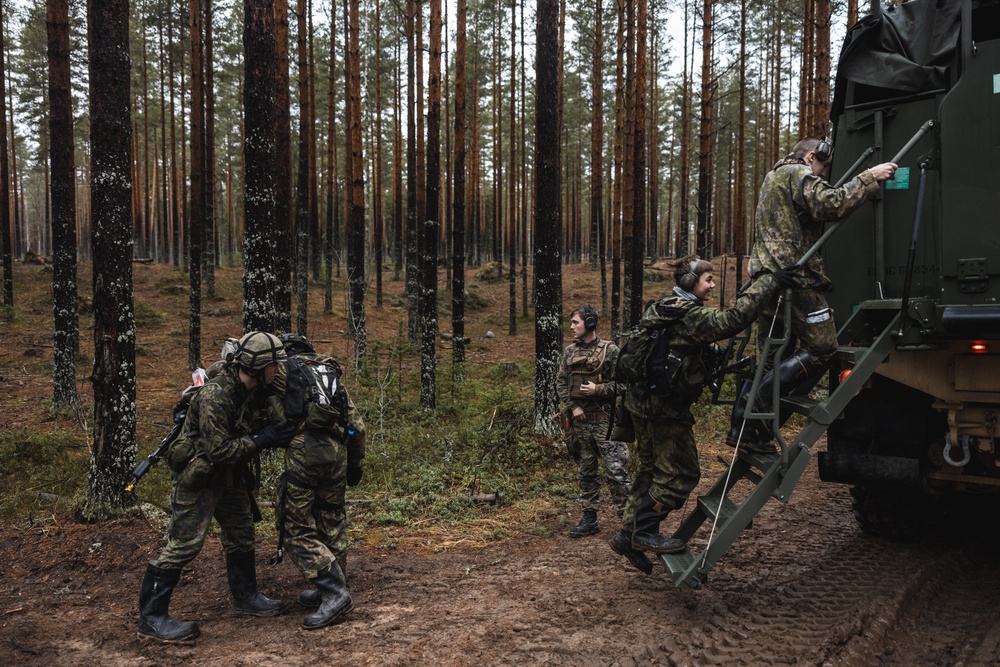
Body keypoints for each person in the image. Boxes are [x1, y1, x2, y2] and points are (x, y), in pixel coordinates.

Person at [609, 256, 794, 573]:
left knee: (651, 470)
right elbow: (734, 319)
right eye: (708, 279)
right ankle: (645, 532)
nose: (711, 285)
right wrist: (769, 282)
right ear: (688, 282)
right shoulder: (690, 317)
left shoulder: (664, 306)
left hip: (641, 404)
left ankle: (628, 533)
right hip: (663, 410)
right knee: (682, 474)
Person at [726, 137, 898, 453]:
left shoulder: (773, 176)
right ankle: (755, 422)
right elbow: (829, 204)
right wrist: (869, 177)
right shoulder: (797, 172)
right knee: (822, 348)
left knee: (768, 358)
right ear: (810, 157)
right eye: (822, 168)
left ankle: (744, 431)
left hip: (768, 278)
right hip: (794, 277)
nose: (821, 175)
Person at [137, 331, 298, 643]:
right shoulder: (216, 397)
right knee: (184, 545)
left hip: (230, 476)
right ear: (257, 367)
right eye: (274, 366)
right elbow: (219, 450)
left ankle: (247, 598)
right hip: (200, 479)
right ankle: (151, 618)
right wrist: (263, 439)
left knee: (241, 534)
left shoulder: (254, 389)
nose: (278, 371)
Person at [268, 333, 366, 630]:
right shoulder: (329, 373)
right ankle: (336, 584)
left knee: (295, 527)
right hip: (337, 456)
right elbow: (357, 427)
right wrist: (355, 463)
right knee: (331, 518)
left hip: (303, 455)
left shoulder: (284, 372)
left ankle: (334, 593)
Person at [556, 305, 632, 538]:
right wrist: (574, 406)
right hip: (580, 423)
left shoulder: (610, 351)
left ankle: (631, 524)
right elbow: (561, 383)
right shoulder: (569, 352)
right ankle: (589, 519)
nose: (571, 327)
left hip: (605, 421)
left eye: (575, 322)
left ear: (589, 323)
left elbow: (625, 384)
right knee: (586, 471)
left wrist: (598, 389)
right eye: (571, 323)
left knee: (616, 472)